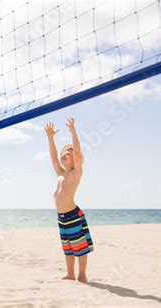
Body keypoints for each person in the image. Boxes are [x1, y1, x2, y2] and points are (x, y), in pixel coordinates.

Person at [44, 117, 93, 283]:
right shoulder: (60, 173)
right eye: (64, 155)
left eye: (68, 155)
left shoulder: (75, 173)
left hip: (73, 215)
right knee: (68, 247)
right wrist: (50, 138)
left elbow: (77, 153)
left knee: (80, 246)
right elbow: (53, 157)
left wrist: (73, 132)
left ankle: (82, 274)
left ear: (75, 160)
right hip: (62, 218)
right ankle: (71, 273)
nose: (64, 157)